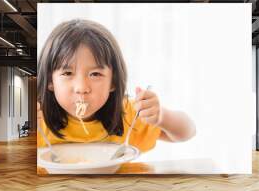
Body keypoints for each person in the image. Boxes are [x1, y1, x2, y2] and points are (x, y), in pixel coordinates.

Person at [37, 19, 196, 157]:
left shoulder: (128, 114)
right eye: (67, 73)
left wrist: (161, 117)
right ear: (50, 81)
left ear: (113, 82)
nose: (81, 88)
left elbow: (187, 132)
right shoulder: (39, 118)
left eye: (95, 74)